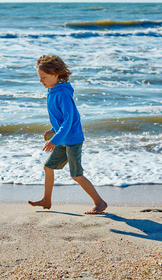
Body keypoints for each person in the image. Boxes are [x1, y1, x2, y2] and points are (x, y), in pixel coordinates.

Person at [28, 54, 107, 214]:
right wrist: (53, 130)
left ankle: (100, 203)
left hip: (72, 140)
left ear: (55, 75)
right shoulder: (53, 91)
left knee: (76, 175)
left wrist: (54, 140)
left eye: (43, 77)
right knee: (48, 167)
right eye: (39, 77)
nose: (40, 81)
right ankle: (47, 200)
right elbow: (61, 119)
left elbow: (69, 121)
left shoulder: (62, 93)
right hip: (63, 138)